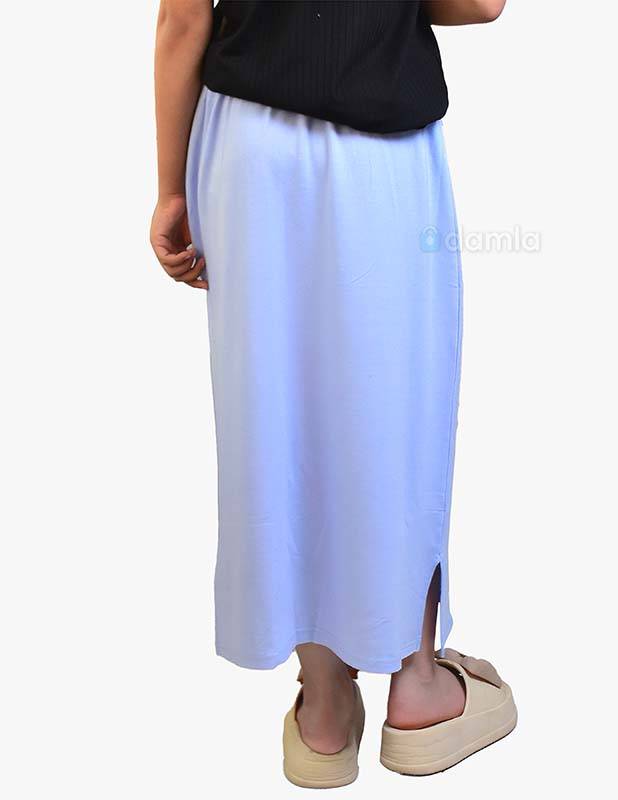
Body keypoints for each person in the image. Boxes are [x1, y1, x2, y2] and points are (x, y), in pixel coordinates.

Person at [151, 0, 514, 787]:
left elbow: (183, 19)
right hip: (379, 147)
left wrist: (171, 191)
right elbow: (480, 2)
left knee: (277, 409)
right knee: (397, 403)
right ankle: (416, 688)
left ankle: (322, 710)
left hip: (246, 150)